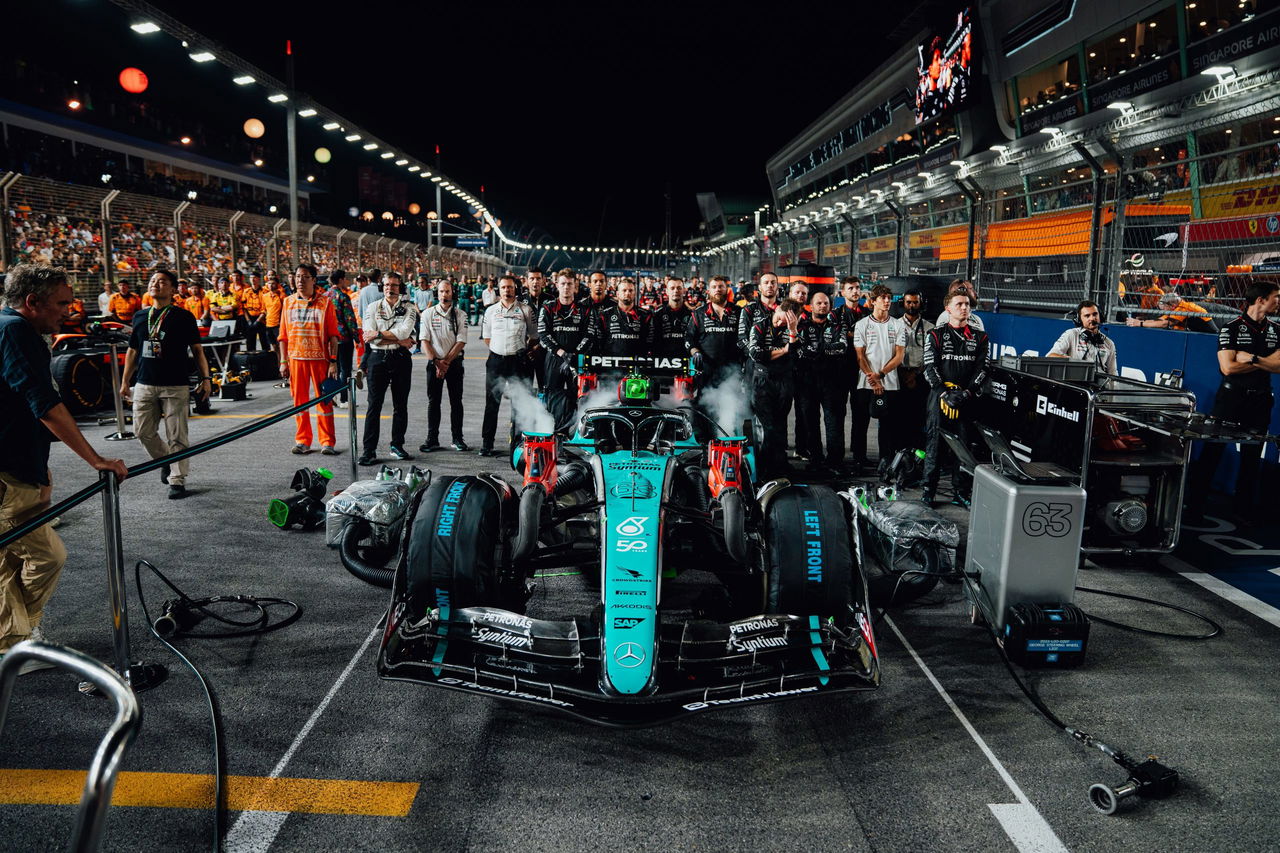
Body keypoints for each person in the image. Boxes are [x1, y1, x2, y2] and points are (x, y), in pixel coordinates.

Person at [1, 264, 128, 672]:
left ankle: (10, 641)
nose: (69, 312)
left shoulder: (6, 325)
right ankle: (15, 645)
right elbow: (44, 404)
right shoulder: (16, 332)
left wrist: (39, 466)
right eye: (60, 304)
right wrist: (96, 459)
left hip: (16, 464)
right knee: (47, 555)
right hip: (7, 469)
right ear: (32, 302)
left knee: (7, 560)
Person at [1184, 280, 1280, 527]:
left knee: (1251, 459)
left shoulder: (1276, 330)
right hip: (1231, 399)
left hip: (1260, 401)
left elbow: (1278, 366)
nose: (1278, 302)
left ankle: (1243, 511)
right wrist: (1263, 362)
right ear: (1260, 300)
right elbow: (1227, 367)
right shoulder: (1231, 328)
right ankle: (1194, 507)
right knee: (1213, 453)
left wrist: (1252, 358)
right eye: (1275, 297)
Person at [119, 270, 212, 499]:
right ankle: (165, 461)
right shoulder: (140, 317)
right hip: (144, 382)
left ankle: (177, 480)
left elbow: (197, 350)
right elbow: (133, 351)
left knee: (177, 435)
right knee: (142, 431)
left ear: (172, 290)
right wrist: (125, 382)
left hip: (175, 384)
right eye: (152, 281)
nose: (155, 285)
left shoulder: (183, 317)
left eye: (161, 282)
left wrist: (206, 379)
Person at [921, 290, 990, 507]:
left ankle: (960, 492)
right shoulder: (935, 334)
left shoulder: (981, 337)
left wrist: (966, 393)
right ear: (948, 308)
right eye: (959, 304)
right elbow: (929, 368)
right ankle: (928, 491)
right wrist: (944, 393)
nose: (964, 308)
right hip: (939, 399)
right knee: (934, 446)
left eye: (967, 304)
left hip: (966, 400)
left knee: (964, 448)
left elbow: (983, 369)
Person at [278, 264, 341, 455]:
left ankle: (327, 441)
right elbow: (283, 336)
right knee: (299, 402)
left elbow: (333, 336)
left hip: (320, 360)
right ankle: (303, 440)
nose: (300, 280)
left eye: (305, 277)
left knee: (324, 401)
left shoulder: (326, 303)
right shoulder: (287, 302)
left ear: (314, 280)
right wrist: (283, 361)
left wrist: (333, 361)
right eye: (297, 276)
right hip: (296, 359)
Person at [359, 274, 418, 465]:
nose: (389, 288)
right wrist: (398, 339)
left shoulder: (409, 308)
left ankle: (397, 446)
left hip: (400, 358)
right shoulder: (372, 307)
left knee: (400, 405)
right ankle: (369, 451)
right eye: (386, 285)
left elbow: (404, 332)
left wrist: (380, 334)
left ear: (400, 287)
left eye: (393, 285)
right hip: (377, 358)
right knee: (373, 406)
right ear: (381, 287)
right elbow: (368, 335)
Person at [479, 274, 537, 457]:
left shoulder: (526, 310)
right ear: (499, 289)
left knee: (519, 403)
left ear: (515, 289)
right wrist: (500, 351)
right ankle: (487, 443)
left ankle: (518, 444)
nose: (507, 290)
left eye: (510, 287)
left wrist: (520, 351)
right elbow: (487, 337)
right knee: (491, 403)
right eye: (503, 287)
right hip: (496, 361)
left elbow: (534, 336)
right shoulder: (490, 311)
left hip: (518, 362)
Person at [747, 298, 802, 480]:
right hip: (762, 381)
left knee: (779, 426)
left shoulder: (794, 328)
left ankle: (779, 466)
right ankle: (763, 470)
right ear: (777, 309)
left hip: (784, 382)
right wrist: (783, 351)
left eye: (784, 323)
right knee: (767, 427)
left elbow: (797, 356)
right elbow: (756, 355)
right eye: (778, 319)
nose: (779, 324)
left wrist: (792, 332)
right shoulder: (759, 326)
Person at [853, 284, 908, 469]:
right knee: (861, 423)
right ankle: (859, 459)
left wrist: (881, 375)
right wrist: (873, 378)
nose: (887, 301)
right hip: (865, 383)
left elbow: (899, 356)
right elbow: (860, 356)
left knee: (888, 426)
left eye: (889, 298)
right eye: (883, 298)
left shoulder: (898, 324)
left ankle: (885, 461)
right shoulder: (861, 325)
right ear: (873, 301)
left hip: (890, 384)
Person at [796, 291, 849, 474]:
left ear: (830, 306)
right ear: (811, 306)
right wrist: (824, 350)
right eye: (818, 303)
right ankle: (816, 460)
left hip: (832, 382)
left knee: (834, 422)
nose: (822, 306)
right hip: (807, 382)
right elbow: (799, 351)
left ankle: (835, 462)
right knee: (810, 423)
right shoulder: (801, 326)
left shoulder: (837, 327)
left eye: (826, 303)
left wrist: (816, 350)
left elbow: (841, 348)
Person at [538, 270, 595, 434]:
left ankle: (575, 431)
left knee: (577, 395)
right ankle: (554, 431)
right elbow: (543, 335)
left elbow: (589, 335)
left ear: (575, 286)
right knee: (552, 394)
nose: (566, 287)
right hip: (555, 359)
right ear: (557, 285)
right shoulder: (548, 307)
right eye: (562, 284)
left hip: (578, 359)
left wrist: (576, 354)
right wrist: (563, 353)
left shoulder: (585, 309)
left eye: (569, 284)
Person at [419, 278, 470, 452]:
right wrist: (436, 362)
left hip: (453, 364)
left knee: (456, 402)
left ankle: (457, 438)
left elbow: (461, 341)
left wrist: (445, 363)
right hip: (433, 363)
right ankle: (432, 438)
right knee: (434, 402)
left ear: (452, 293)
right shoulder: (427, 314)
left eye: (447, 291)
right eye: (441, 291)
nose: (444, 295)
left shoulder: (460, 315)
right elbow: (424, 341)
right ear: (437, 293)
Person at [898, 289, 934, 456]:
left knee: (919, 416)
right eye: (908, 302)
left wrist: (915, 374)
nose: (912, 305)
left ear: (921, 304)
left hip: (920, 377)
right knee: (900, 416)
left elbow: (930, 356)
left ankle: (917, 454)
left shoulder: (930, 328)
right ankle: (900, 452)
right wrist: (904, 374)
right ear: (903, 304)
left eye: (915, 302)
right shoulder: (895, 324)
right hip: (899, 376)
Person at [1049, 300, 1118, 374]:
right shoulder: (1071, 334)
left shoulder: (1109, 343)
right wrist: (1071, 361)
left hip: (1100, 383)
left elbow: (1113, 372)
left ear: (1100, 316)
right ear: (1079, 320)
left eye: (1095, 314)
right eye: (1087, 316)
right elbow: (1050, 356)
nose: (1092, 318)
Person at [737, 271, 781, 376]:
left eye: (773, 282)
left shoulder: (785, 309)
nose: (770, 285)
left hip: (780, 366)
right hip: (754, 366)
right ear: (760, 288)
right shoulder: (749, 309)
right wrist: (759, 355)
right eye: (766, 283)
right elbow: (742, 339)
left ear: (777, 287)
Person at [596, 277, 651, 357]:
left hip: (637, 364)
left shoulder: (645, 315)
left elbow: (650, 341)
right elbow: (599, 341)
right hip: (611, 363)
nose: (627, 293)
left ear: (635, 293)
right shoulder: (605, 314)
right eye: (624, 290)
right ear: (617, 294)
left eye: (631, 290)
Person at [327, 270, 358, 408]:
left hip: (328, 338)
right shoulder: (343, 297)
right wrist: (356, 337)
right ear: (340, 280)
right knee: (345, 369)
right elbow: (349, 319)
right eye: (344, 279)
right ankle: (344, 399)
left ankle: (331, 395)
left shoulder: (324, 296)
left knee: (333, 368)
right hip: (343, 337)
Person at [1127, 290, 1217, 332]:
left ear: (1172, 306)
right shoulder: (1175, 308)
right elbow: (1159, 321)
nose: (1164, 311)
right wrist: (1140, 321)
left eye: (1165, 308)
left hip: (1211, 335)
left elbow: (1164, 323)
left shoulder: (1184, 307)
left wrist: (1140, 324)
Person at [650, 276, 692, 358]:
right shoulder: (657, 314)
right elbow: (653, 340)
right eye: (672, 288)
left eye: (679, 288)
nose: (676, 291)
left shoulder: (692, 315)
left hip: (685, 359)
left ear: (684, 291)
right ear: (667, 291)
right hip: (662, 360)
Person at [241, 273, 269, 351]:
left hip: (262, 319)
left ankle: (267, 360)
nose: (253, 280)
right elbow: (244, 308)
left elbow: (266, 307)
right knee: (250, 342)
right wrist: (248, 321)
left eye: (255, 278)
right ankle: (251, 360)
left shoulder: (265, 291)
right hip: (250, 318)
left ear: (259, 279)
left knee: (264, 342)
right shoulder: (246, 292)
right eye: (251, 278)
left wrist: (258, 320)